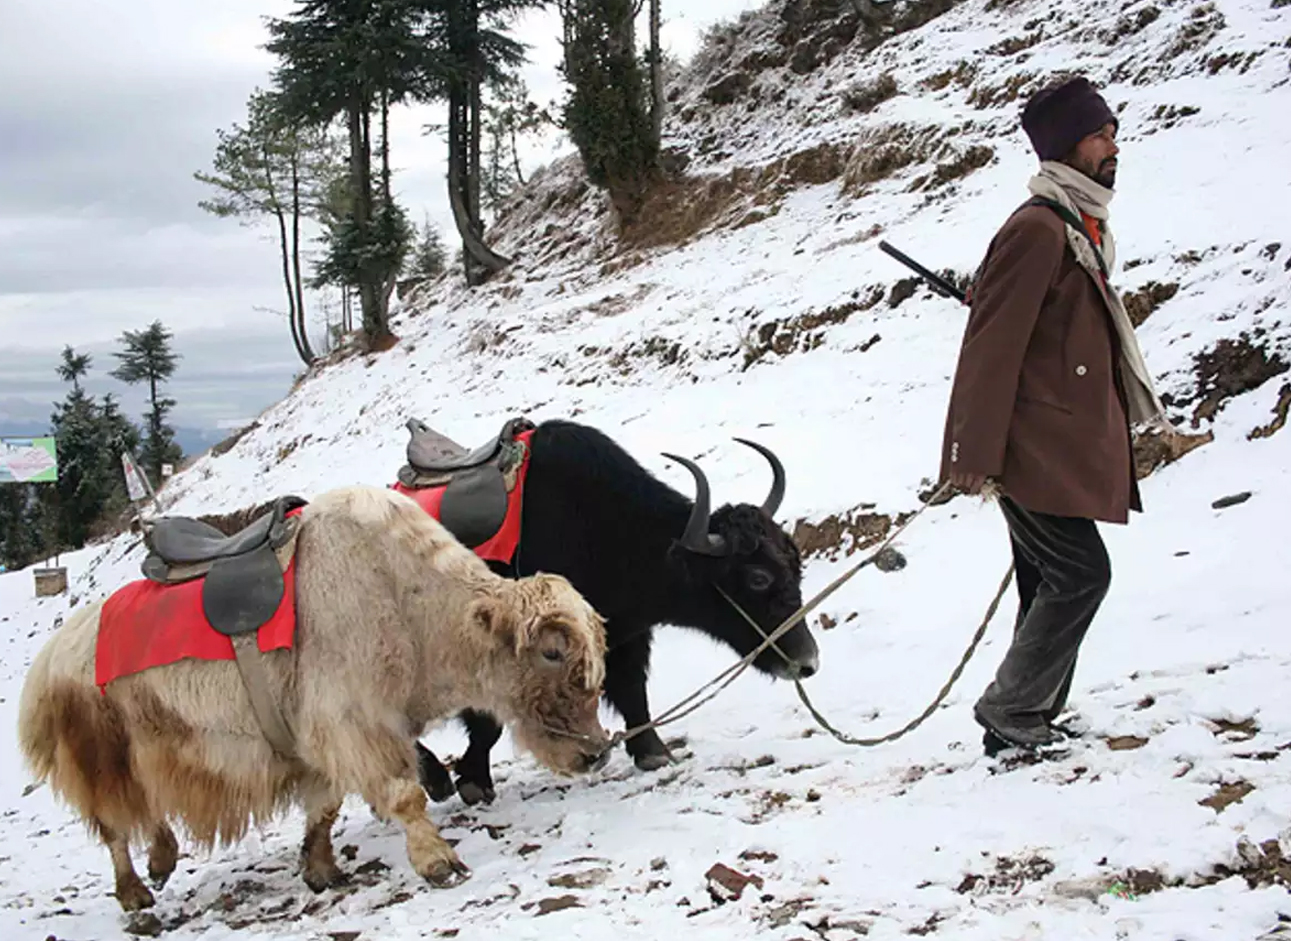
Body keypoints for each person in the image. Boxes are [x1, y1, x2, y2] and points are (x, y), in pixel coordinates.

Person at [938, 76, 1173, 754]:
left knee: (1048, 578)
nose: (1112, 146)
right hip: (1027, 448)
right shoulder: (1038, 229)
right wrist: (971, 456)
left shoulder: (1076, 226)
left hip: (1054, 444)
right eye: (1100, 135)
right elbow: (989, 350)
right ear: (1065, 145)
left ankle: (1027, 715)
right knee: (1080, 575)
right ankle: (1012, 711)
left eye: (1112, 133)